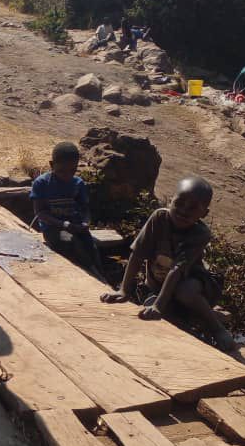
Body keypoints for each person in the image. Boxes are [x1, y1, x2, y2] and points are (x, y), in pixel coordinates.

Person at [101, 176, 234, 351]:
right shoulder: (159, 218)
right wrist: (124, 290)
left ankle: (217, 328)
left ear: (204, 214)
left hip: (192, 283)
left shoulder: (200, 234)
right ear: (171, 200)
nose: (183, 211)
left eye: (193, 208)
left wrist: (159, 306)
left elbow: (177, 270)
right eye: (179, 203)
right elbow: (138, 254)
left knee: (184, 292)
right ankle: (186, 324)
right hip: (159, 283)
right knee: (151, 302)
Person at [30, 142, 104, 281]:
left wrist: (86, 222)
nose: (67, 175)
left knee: (91, 248)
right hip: (53, 228)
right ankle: (91, 277)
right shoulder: (42, 184)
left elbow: (85, 209)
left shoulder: (78, 184)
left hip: (75, 225)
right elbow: (40, 213)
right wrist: (64, 225)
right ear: (52, 165)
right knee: (70, 241)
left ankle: (100, 276)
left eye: (72, 170)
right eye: (62, 171)